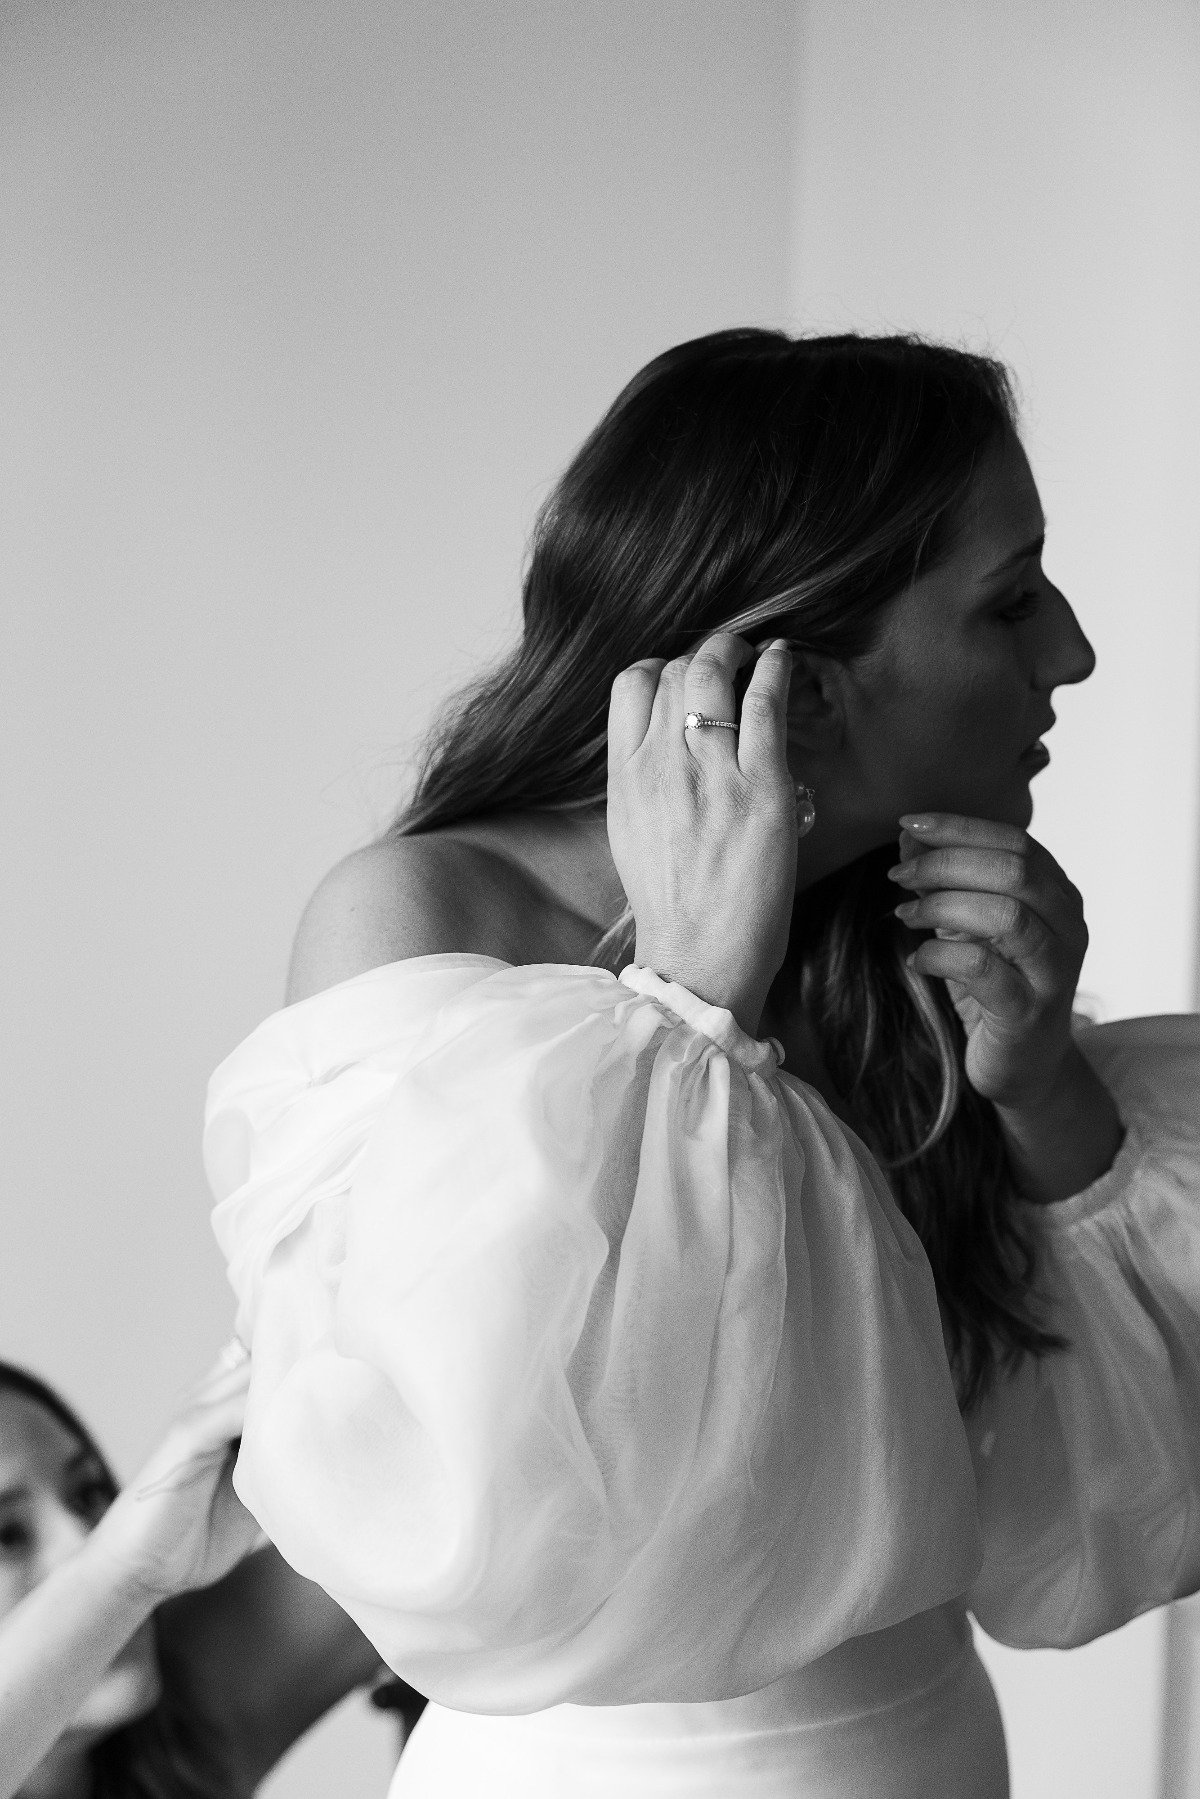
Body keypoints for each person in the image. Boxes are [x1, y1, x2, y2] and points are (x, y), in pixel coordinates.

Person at [203, 329, 1200, 1797]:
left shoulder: (912, 936)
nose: (1072, 649)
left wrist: (1045, 1090)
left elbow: (1078, 1509)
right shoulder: (427, 917)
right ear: (799, 676)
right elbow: (466, 1508)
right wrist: (684, 999)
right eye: (1009, 599)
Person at [0, 1348, 389, 1797]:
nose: (86, 1541)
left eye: (87, 1493)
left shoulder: (193, 1706)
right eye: (7, 1534)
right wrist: (120, 1573)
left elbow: (422, 1501)